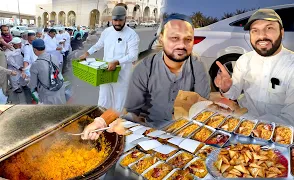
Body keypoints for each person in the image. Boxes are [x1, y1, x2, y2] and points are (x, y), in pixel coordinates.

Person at [81, 13, 211, 139]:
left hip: (187, 135)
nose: (182, 45)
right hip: (149, 135)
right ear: (161, 38)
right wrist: (101, 122)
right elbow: (127, 107)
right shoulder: (145, 68)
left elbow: (202, 109)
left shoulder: (197, 66)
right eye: (174, 38)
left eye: (188, 39)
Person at [214, 9, 294, 126]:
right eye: (255, 30)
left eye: (269, 28)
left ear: (282, 33)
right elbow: (233, 94)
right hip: (243, 125)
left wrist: (248, 125)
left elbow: (293, 121)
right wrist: (227, 88)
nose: (262, 36)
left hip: (280, 134)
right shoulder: (244, 60)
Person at [79, 6, 140, 112]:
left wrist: (117, 62)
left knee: (119, 102)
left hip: (122, 74)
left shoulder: (132, 35)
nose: (117, 23)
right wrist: (87, 53)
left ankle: (114, 125)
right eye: (115, 20)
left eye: (120, 20)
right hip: (106, 71)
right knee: (103, 99)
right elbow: (99, 44)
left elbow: (133, 55)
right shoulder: (107, 32)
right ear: (112, 19)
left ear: (125, 19)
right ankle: (100, 121)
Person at [28, 39, 66, 104]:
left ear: (34, 50)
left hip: (47, 94)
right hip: (59, 88)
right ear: (44, 47)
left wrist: (28, 83)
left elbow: (33, 85)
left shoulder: (35, 64)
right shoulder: (53, 57)